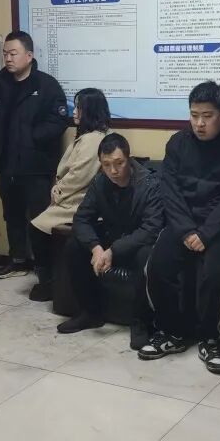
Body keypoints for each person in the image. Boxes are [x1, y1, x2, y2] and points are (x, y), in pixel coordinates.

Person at [139, 81, 220, 374]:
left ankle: (212, 340)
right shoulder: (178, 142)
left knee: (217, 275)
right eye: (194, 115)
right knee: (157, 267)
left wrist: (206, 233)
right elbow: (170, 190)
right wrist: (186, 230)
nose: (199, 123)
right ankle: (172, 332)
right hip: (185, 223)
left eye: (207, 116)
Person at [58, 133, 163, 348]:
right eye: (106, 165)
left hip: (138, 243)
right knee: (74, 246)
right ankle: (90, 313)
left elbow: (151, 229)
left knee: (146, 255)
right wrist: (96, 248)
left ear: (128, 159)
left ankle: (140, 323)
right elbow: (82, 219)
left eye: (119, 163)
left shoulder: (149, 184)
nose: (113, 171)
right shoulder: (100, 182)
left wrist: (114, 250)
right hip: (111, 239)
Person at [0, 30, 69, 279]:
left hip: (36, 166)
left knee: (39, 218)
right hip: (7, 165)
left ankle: (44, 268)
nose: (8, 58)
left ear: (29, 56)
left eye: (13, 53)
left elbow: (59, 120)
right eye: (5, 54)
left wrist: (32, 138)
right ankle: (17, 261)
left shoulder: (46, 85)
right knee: (12, 215)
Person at [27, 88, 111, 302]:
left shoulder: (94, 140)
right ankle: (48, 280)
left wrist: (59, 190)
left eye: (79, 108)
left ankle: (47, 283)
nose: (74, 112)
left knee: (36, 228)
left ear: (89, 111)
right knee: (38, 227)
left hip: (79, 202)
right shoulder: (89, 137)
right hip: (73, 197)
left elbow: (79, 175)